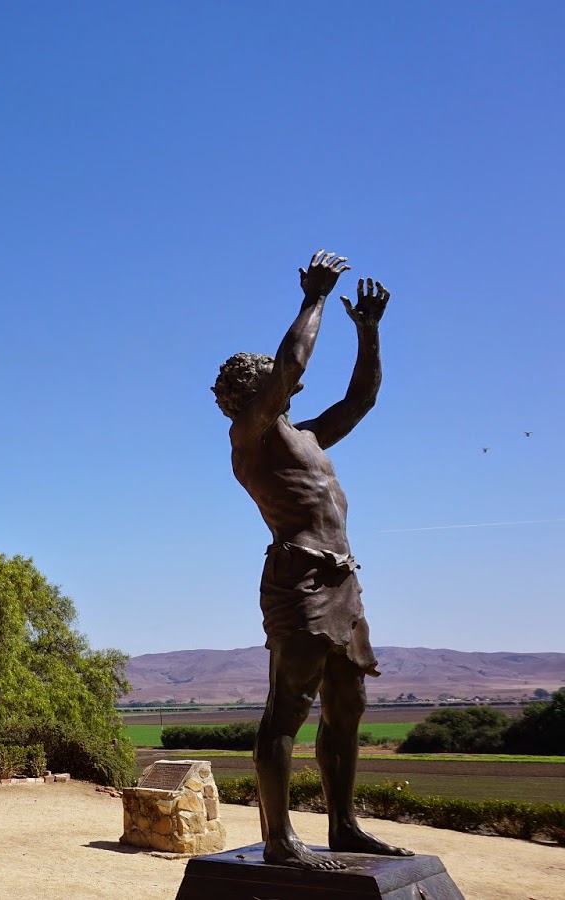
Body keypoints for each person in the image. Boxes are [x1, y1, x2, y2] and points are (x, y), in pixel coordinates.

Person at [212, 250, 412, 870]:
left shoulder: (306, 437)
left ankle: (345, 826)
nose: (287, 376)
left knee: (347, 705)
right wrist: (315, 298)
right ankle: (278, 837)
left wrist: (369, 331)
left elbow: (362, 399)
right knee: (288, 708)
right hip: (298, 579)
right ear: (253, 390)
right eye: (271, 376)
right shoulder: (251, 435)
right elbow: (293, 362)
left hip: (342, 582)